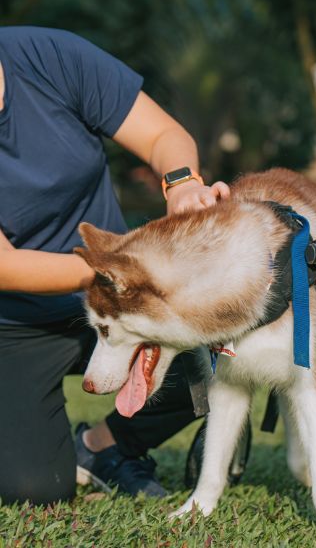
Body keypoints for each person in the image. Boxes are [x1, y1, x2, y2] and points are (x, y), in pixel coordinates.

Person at [0, 26, 229, 505]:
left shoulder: (47, 56)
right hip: (15, 321)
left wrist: (183, 185)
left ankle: (102, 446)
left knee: (217, 357)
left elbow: (164, 135)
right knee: (33, 489)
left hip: (118, 296)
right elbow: (5, 266)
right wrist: (118, 267)